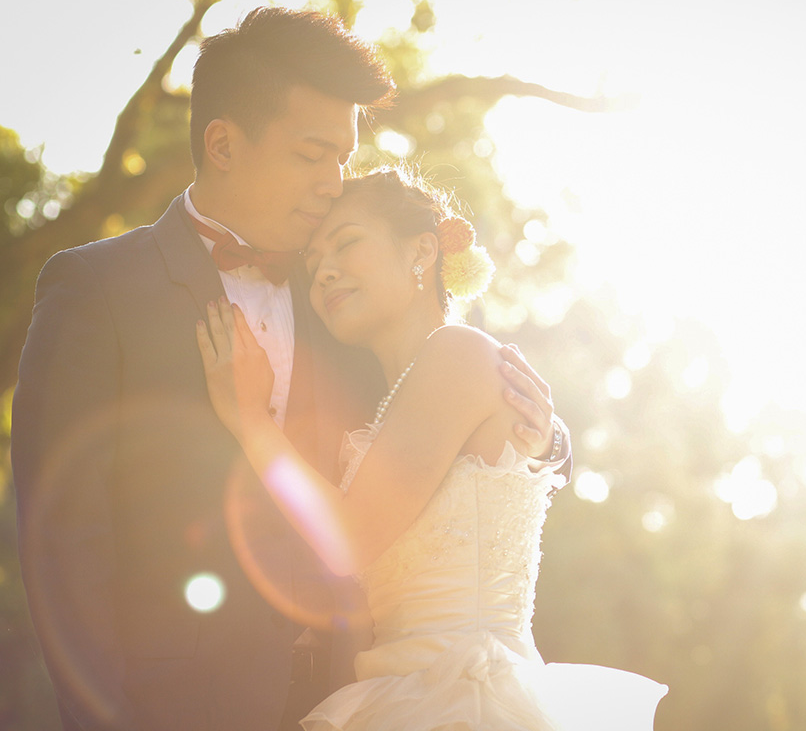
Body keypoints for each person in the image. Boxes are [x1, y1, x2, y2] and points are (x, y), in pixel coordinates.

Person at [10, 8, 565, 731]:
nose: (335, 182)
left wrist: (544, 434)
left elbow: (441, 429)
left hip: (353, 700)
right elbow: (64, 548)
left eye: (344, 157)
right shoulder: (100, 291)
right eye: (314, 154)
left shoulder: (344, 299)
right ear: (224, 143)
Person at [196, 166, 667, 730]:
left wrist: (249, 419)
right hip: (393, 690)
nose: (324, 271)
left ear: (421, 252)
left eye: (346, 244)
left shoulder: (457, 353)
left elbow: (349, 539)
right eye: (313, 261)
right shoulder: (397, 390)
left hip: (465, 696)